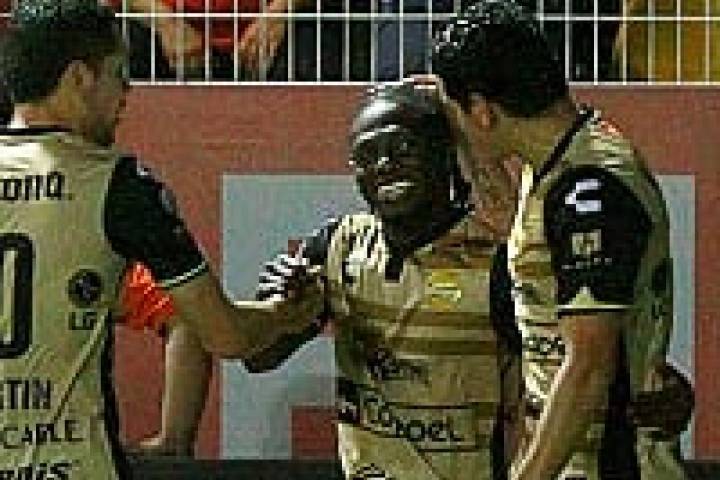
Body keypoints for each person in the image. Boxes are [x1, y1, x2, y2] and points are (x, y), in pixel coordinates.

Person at [0, 1, 321, 478]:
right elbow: (224, 334)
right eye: (118, 74)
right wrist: (285, 314)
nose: (127, 92)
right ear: (80, 77)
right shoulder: (118, 187)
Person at [430, 1, 691, 478]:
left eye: (456, 112)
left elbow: (588, 368)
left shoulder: (590, 192)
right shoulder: (558, 163)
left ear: (483, 111)